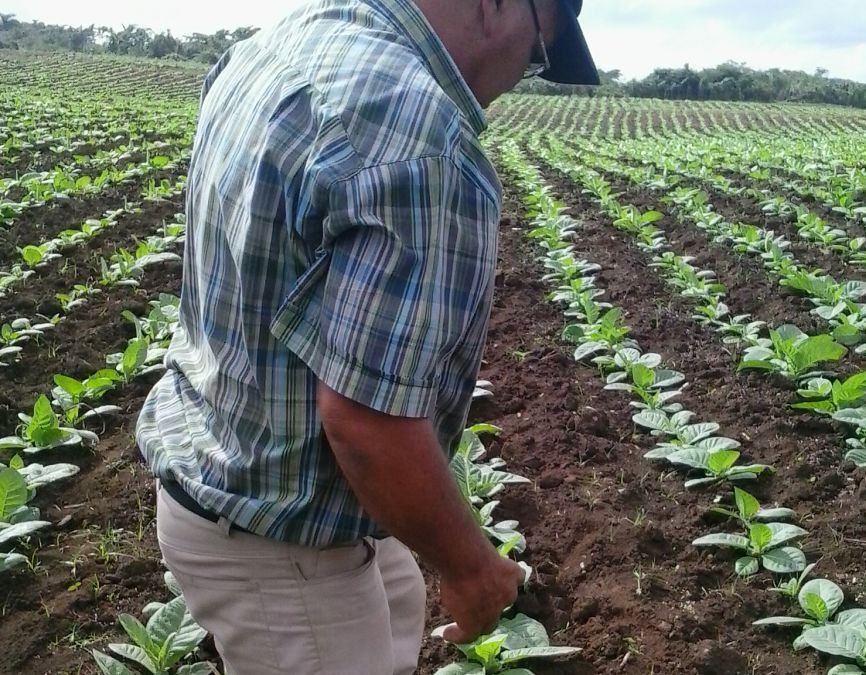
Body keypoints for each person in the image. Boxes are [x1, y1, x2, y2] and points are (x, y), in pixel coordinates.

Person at [136, 1, 598, 673]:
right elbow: (365, 424)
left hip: (222, 460)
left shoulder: (277, 43)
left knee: (401, 596)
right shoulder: (420, 139)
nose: (521, 77)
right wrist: (472, 568)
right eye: (537, 55)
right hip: (276, 536)